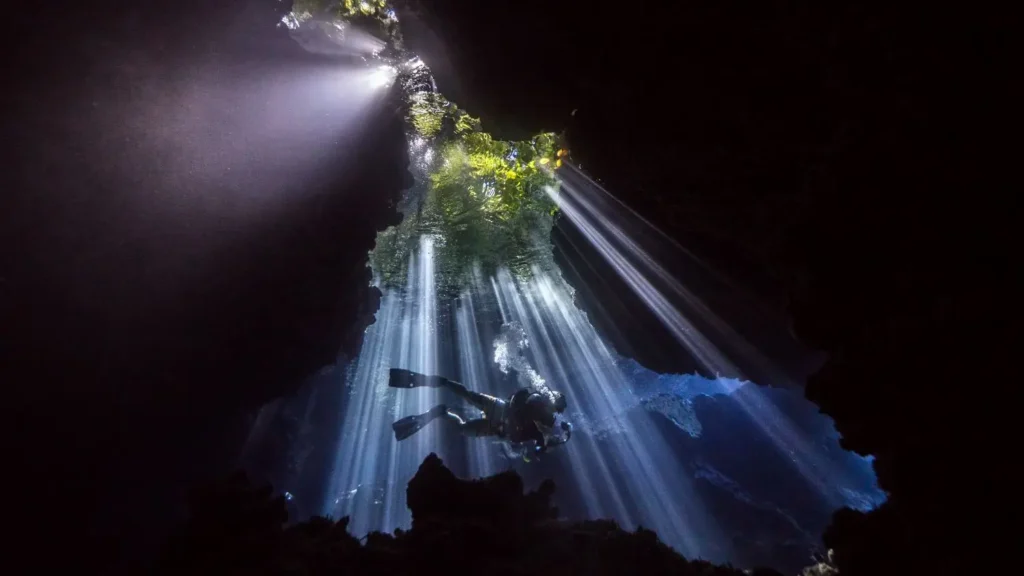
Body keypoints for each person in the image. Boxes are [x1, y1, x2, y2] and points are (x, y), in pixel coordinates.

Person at [388, 368, 571, 460]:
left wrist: (544, 448)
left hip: (497, 428)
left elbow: (532, 453)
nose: (552, 412)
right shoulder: (537, 399)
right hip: (500, 409)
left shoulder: (539, 431)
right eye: (555, 407)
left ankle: (441, 411)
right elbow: (519, 397)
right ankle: (442, 382)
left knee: (463, 429)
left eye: (556, 410)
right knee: (468, 396)